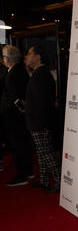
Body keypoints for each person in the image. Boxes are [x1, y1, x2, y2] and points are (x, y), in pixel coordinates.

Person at [25, 44, 60, 193]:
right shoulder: (41, 74)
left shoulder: (41, 75)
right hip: (40, 122)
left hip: (40, 123)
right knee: (42, 153)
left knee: (46, 154)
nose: (26, 56)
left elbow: (42, 104)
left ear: (38, 57)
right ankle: (45, 181)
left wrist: (38, 123)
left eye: (29, 53)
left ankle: (59, 182)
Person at [0, 45, 33, 186]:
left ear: (7, 59)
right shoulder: (21, 70)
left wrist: (20, 108)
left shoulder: (12, 74)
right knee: (24, 143)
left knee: (18, 145)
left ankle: (21, 175)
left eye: (3, 57)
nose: (2, 59)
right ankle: (28, 171)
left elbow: (14, 97)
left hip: (14, 117)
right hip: (20, 116)